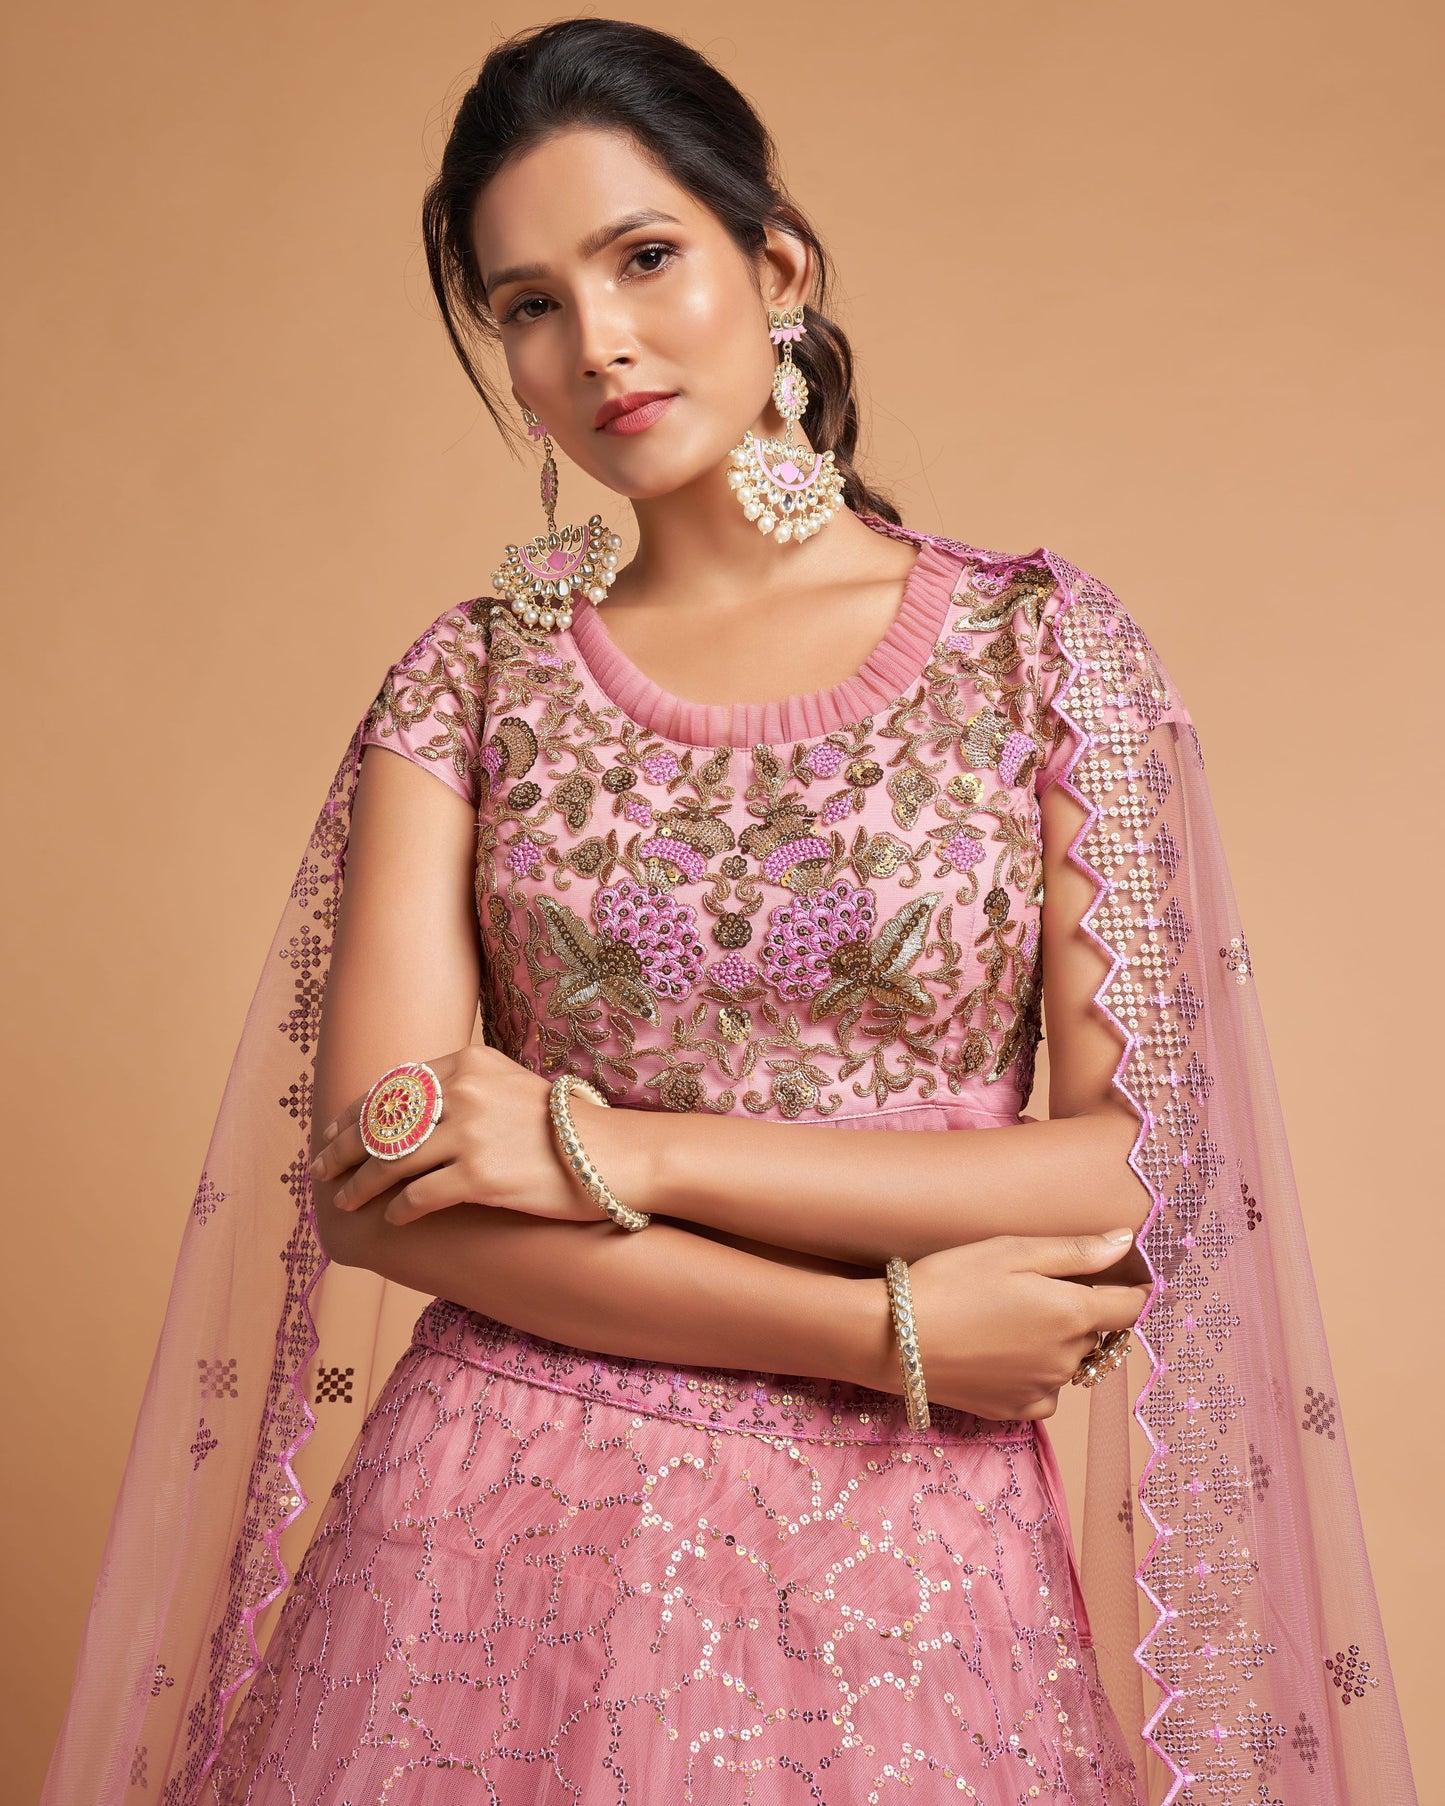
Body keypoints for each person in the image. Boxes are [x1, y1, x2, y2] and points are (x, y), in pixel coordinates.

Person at [41, 18, 1417, 1806]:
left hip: (909, 1566)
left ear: (774, 267)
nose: (595, 339)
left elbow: (1129, 1169)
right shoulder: (462, 688)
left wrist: (596, 1145)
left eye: (642, 258)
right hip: (488, 1536)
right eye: (525, 302)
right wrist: (883, 1332)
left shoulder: (1038, 655)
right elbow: (381, 1192)